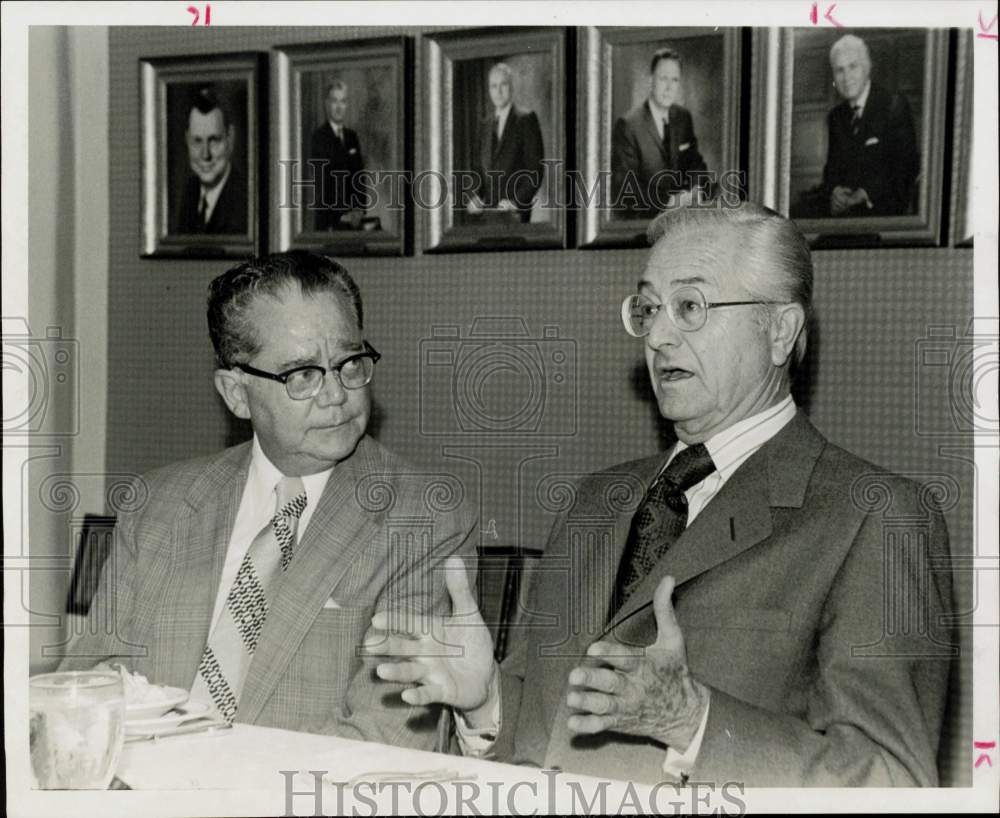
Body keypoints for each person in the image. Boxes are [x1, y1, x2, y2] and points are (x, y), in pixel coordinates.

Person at [367, 203, 954, 786]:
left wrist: (695, 722)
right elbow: (546, 739)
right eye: (648, 308)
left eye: (691, 306)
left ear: (780, 332)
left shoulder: (876, 517)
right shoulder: (595, 502)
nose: (659, 334)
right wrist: (484, 703)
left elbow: (892, 783)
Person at [59, 251, 477, 749]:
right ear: (236, 394)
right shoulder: (158, 505)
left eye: (349, 362)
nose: (336, 394)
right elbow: (88, 687)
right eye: (302, 374)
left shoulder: (423, 518)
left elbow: (384, 739)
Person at [815, 34, 920, 217]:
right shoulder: (836, 117)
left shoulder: (893, 105)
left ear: (867, 67)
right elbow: (831, 170)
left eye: (852, 67)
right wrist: (834, 191)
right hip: (844, 216)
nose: (846, 77)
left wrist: (865, 194)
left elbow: (906, 166)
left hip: (883, 214)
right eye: (839, 70)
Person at [611, 48, 708, 219]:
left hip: (680, 223)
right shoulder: (628, 125)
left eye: (675, 80)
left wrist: (695, 192)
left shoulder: (683, 117)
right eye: (663, 79)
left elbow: (696, 164)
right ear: (650, 81)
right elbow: (625, 186)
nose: (669, 87)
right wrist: (669, 202)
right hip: (643, 224)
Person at [465, 62, 544, 224]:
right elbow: (477, 168)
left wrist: (515, 202)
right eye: (493, 86)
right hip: (487, 215)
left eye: (503, 85)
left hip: (515, 214)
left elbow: (535, 171)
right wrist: (476, 196)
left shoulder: (526, 119)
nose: (498, 91)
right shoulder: (485, 124)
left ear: (512, 87)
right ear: (488, 90)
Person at [173, 86, 248, 234]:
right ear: (187, 141)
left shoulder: (244, 199)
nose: (205, 154)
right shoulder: (190, 192)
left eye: (214, 140)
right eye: (197, 141)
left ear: (230, 139)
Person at [309, 80, 367, 231]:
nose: (339, 106)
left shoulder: (351, 136)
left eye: (343, 101)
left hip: (354, 221)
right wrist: (339, 215)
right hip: (329, 222)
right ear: (326, 104)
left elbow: (359, 176)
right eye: (334, 101)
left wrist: (359, 210)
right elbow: (320, 184)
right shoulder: (318, 137)